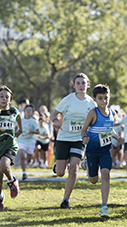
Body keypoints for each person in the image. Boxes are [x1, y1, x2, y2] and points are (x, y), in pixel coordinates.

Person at [50, 73, 96, 209]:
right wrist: (55, 121)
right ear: (74, 85)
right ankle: (59, 165)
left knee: (74, 168)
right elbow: (53, 114)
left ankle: (65, 200)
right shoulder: (68, 100)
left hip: (79, 139)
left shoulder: (91, 102)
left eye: (83, 83)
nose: (81, 85)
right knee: (60, 172)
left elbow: (94, 120)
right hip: (64, 138)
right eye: (78, 83)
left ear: (88, 85)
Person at [81, 84, 124, 218]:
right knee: (93, 180)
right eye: (100, 98)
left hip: (106, 150)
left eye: (106, 98)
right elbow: (84, 129)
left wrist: (117, 137)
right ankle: (86, 163)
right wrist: (84, 138)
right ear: (94, 99)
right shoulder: (93, 113)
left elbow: (109, 129)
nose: (104, 101)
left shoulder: (112, 113)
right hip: (92, 150)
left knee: (105, 174)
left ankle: (104, 207)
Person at [17, 104, 40, 180]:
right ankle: (24, 172)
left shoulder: (33, 121)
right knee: (22, 155)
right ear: (24, 111)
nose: (28, 111)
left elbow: (38, 131)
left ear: (32, 112)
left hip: (30, 142)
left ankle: (27, 161)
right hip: (21, 140)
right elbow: (15, 128)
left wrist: (32, 132)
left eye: (30, 110)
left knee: (29, 159)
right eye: (27, 110)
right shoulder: (21, 120)